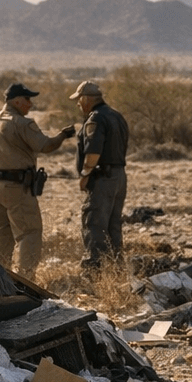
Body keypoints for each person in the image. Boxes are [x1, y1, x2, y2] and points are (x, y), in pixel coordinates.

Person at [0, 82, 75, 280]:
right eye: (28, 100)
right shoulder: (22, 123)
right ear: (17, 101)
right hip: (17, 186)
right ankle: (26, 280)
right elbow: (45, 146)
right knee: (29, 232)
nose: (30, 104)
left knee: (1, 236)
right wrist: (63, 135)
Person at [70, 80, 130, 269]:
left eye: (79, 99)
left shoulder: (95, 118)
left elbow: (93, 152)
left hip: (102, 178)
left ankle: (94, 270)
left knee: (94, 224)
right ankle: (115, 267)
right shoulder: (116, 116)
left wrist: (85, 174)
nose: (78, 104)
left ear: (86, 98)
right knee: (113, 226)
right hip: (119, 177)